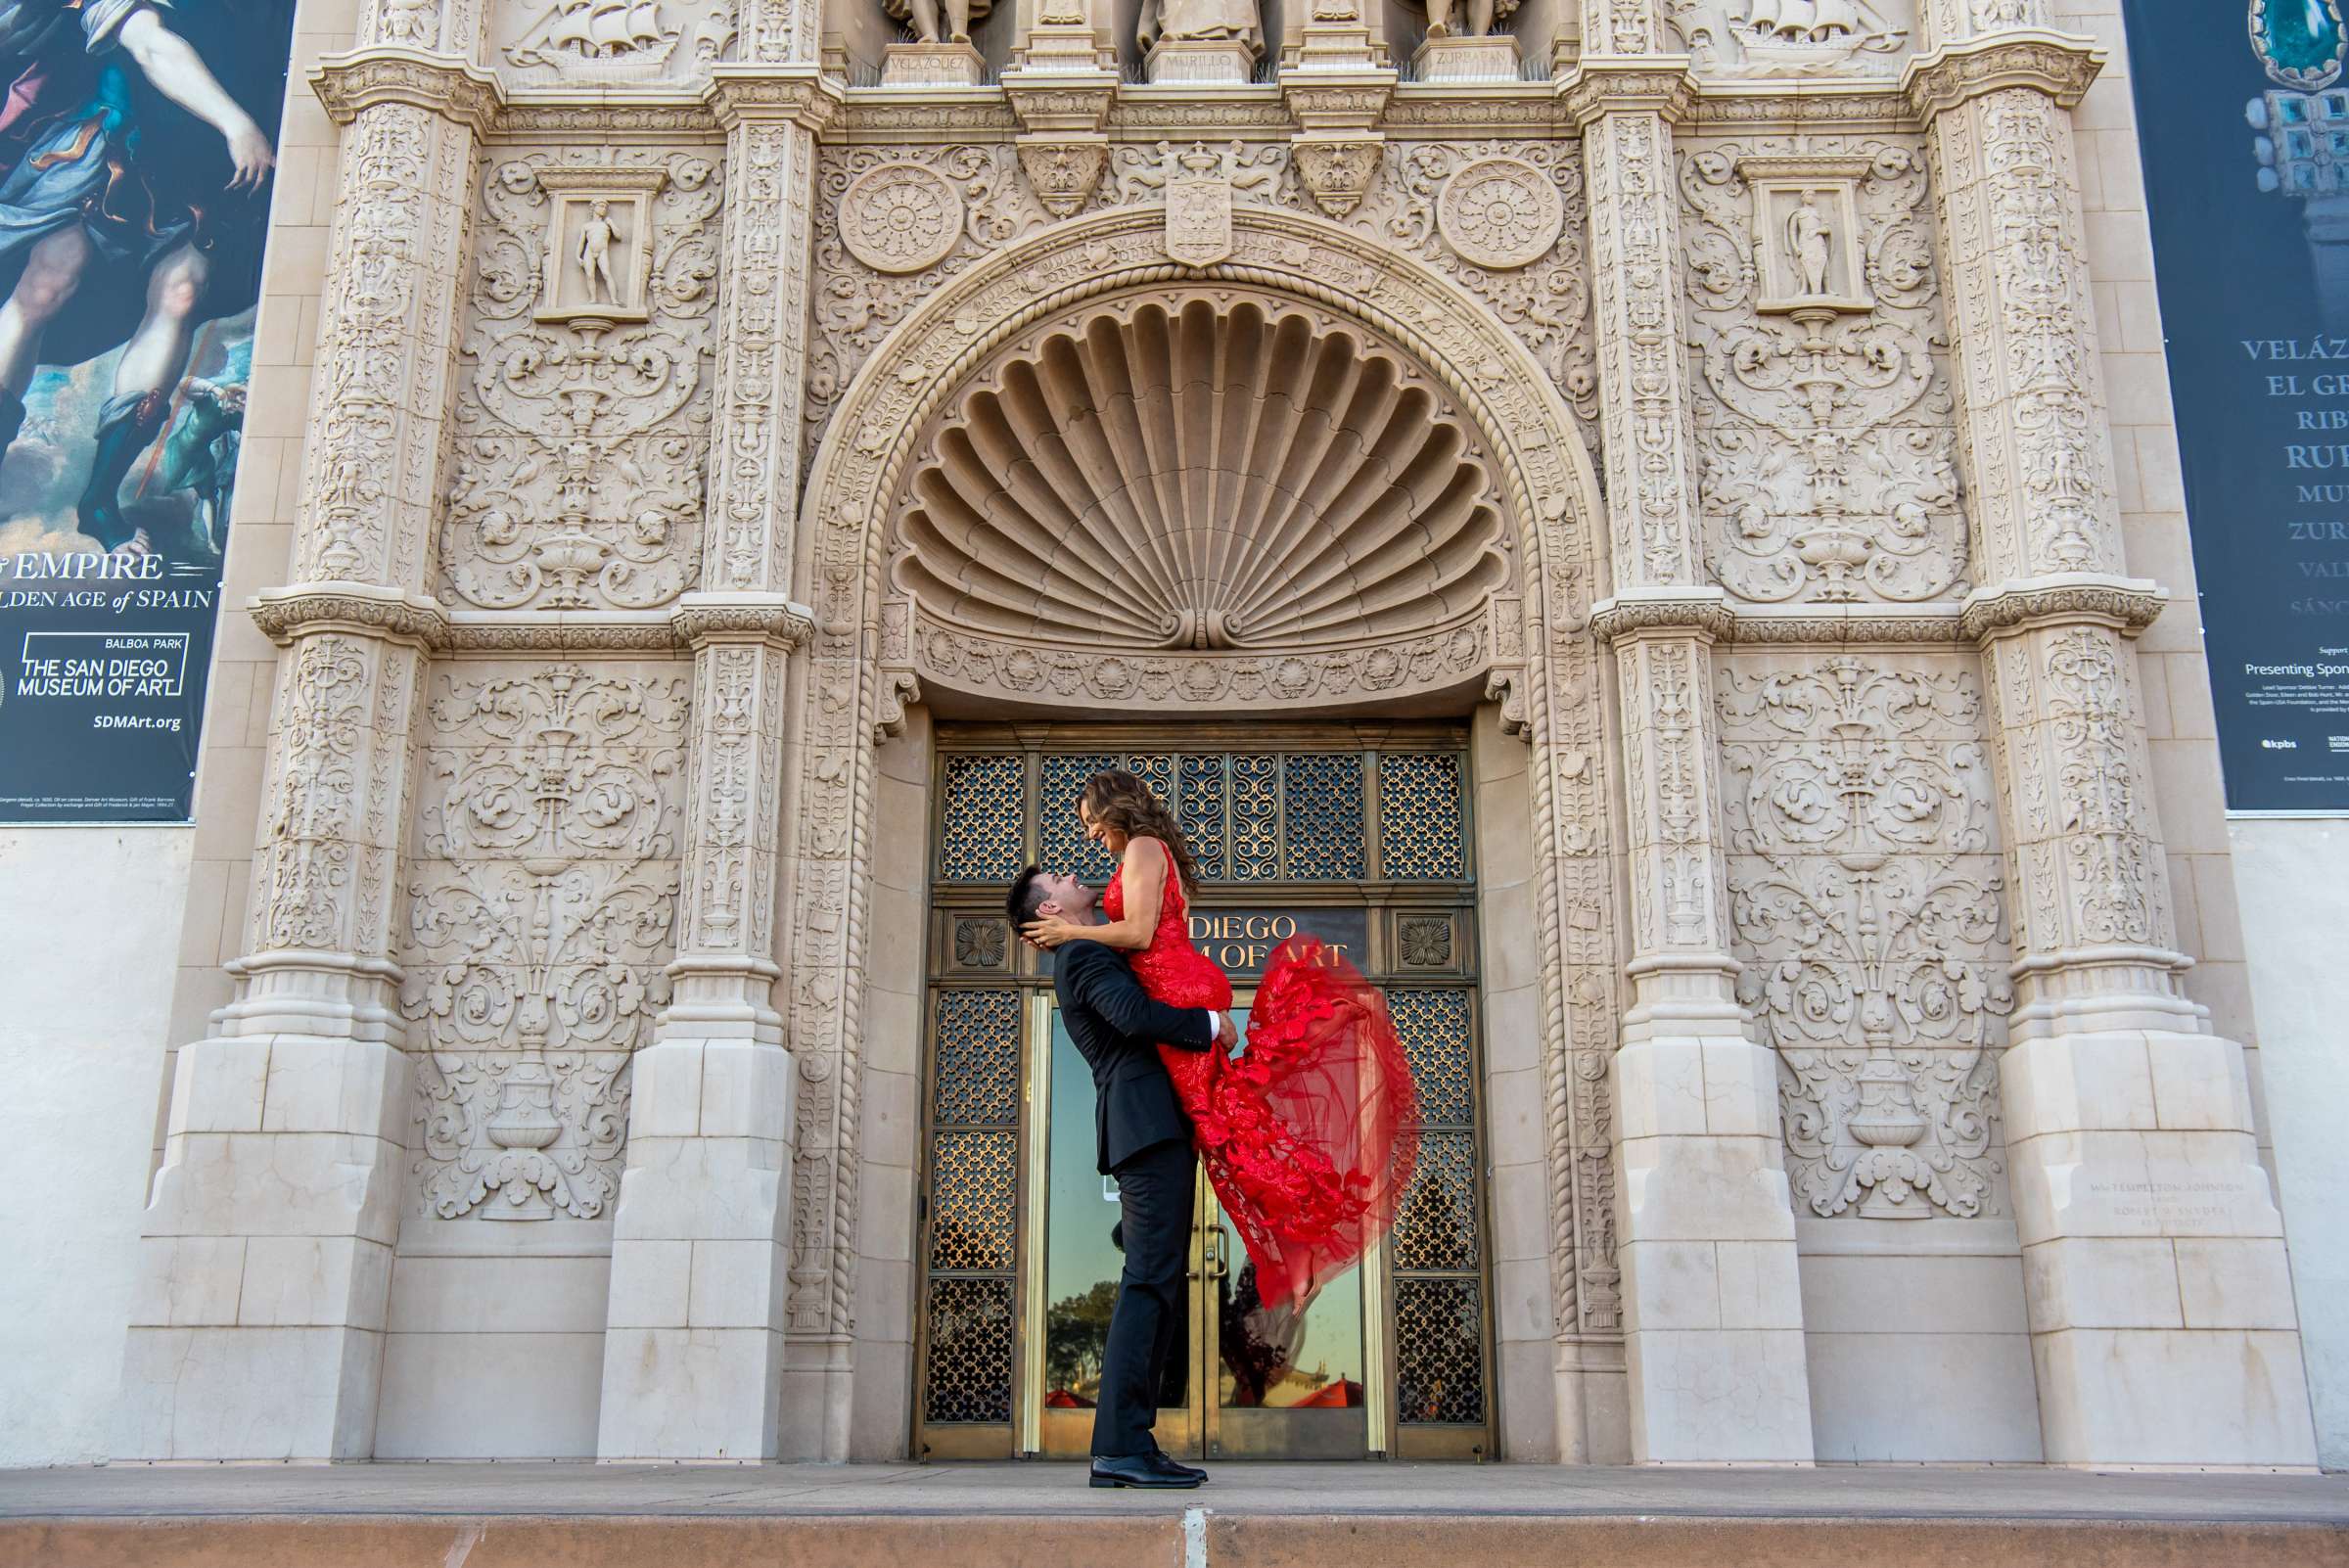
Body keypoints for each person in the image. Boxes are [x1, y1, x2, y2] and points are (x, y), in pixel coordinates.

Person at [1018, 769, 1420, 1338]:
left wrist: (1071, 936)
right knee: (1232, 1120)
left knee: (1220, 1125)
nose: (1088, 837)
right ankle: (1297, 1246)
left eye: (1089, 822)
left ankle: (1299, 1242)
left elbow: (1135, 935)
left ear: (1115, 809)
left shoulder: (1141, 847)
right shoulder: (1144, 851)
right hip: (1182, 990)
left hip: (1177, 993)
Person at [1007, 861, 1233, 1489]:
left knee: (1157, 1284)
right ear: (1049, 910)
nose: (1073, 875)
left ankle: (1132, 1441)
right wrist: (1211, 1025)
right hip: (1145, 1129)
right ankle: (1119, 1449)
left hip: (1152, 1129)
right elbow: (1133, 1017)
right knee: (1148, 1284)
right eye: (1058, 881)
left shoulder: (1092, 948)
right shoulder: (1081, 959)